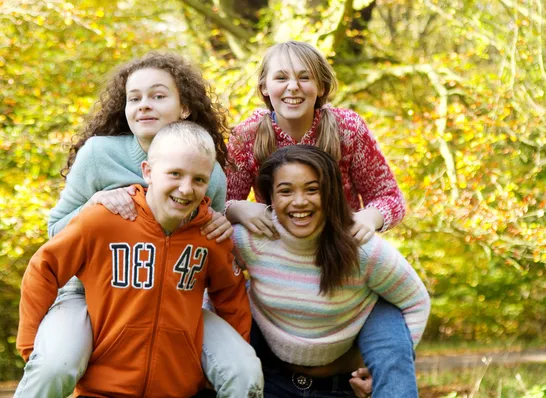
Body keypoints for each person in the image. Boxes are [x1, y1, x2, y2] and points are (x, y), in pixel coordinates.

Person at [15, 53, 263, 398]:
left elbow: (203, 249)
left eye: (158, 96)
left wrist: (222, 225)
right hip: (88, 290)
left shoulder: (212, 171)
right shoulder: (98, 154)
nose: (145, 105)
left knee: (242, 370)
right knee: (54, 364)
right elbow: (56, 232)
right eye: (135, 98)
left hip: (173, 295)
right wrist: (93, 205)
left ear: (185, 107)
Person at [224, 40, 417, 396]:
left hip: (346, 263)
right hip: (282, 266)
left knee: (391, 346)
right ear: (264, 87)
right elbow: (215, 206)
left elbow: (389, 197)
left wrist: (368, 220)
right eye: (280, 77)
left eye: (304, 77)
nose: (293, 87)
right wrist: (237, 207)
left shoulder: (347, 128)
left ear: (322, 86)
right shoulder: (249, 134)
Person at [232, 145, 431, 397]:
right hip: (271, 377)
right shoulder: (250, 239)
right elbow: (209, 276)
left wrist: (376, 369)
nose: (300, 201)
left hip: (340, 383)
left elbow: (415, 301)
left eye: (312, 189)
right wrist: (232, 208)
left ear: (330, 194)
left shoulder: (363, 248)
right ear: (270, 197)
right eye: (285, 191)